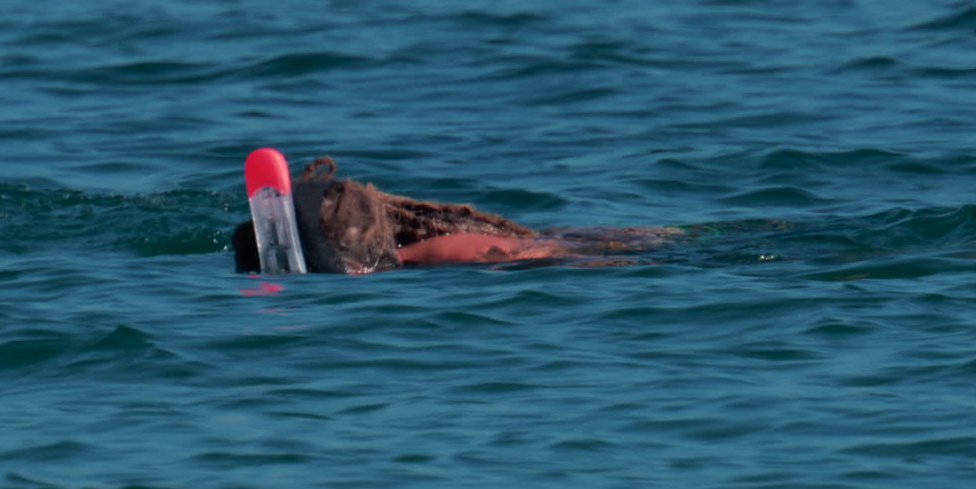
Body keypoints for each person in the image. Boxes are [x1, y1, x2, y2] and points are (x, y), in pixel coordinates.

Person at [232, 157, 679, 274]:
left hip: (360, 252)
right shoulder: (412, 254)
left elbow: (514, 251)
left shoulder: (416, 256)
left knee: (540, 245)